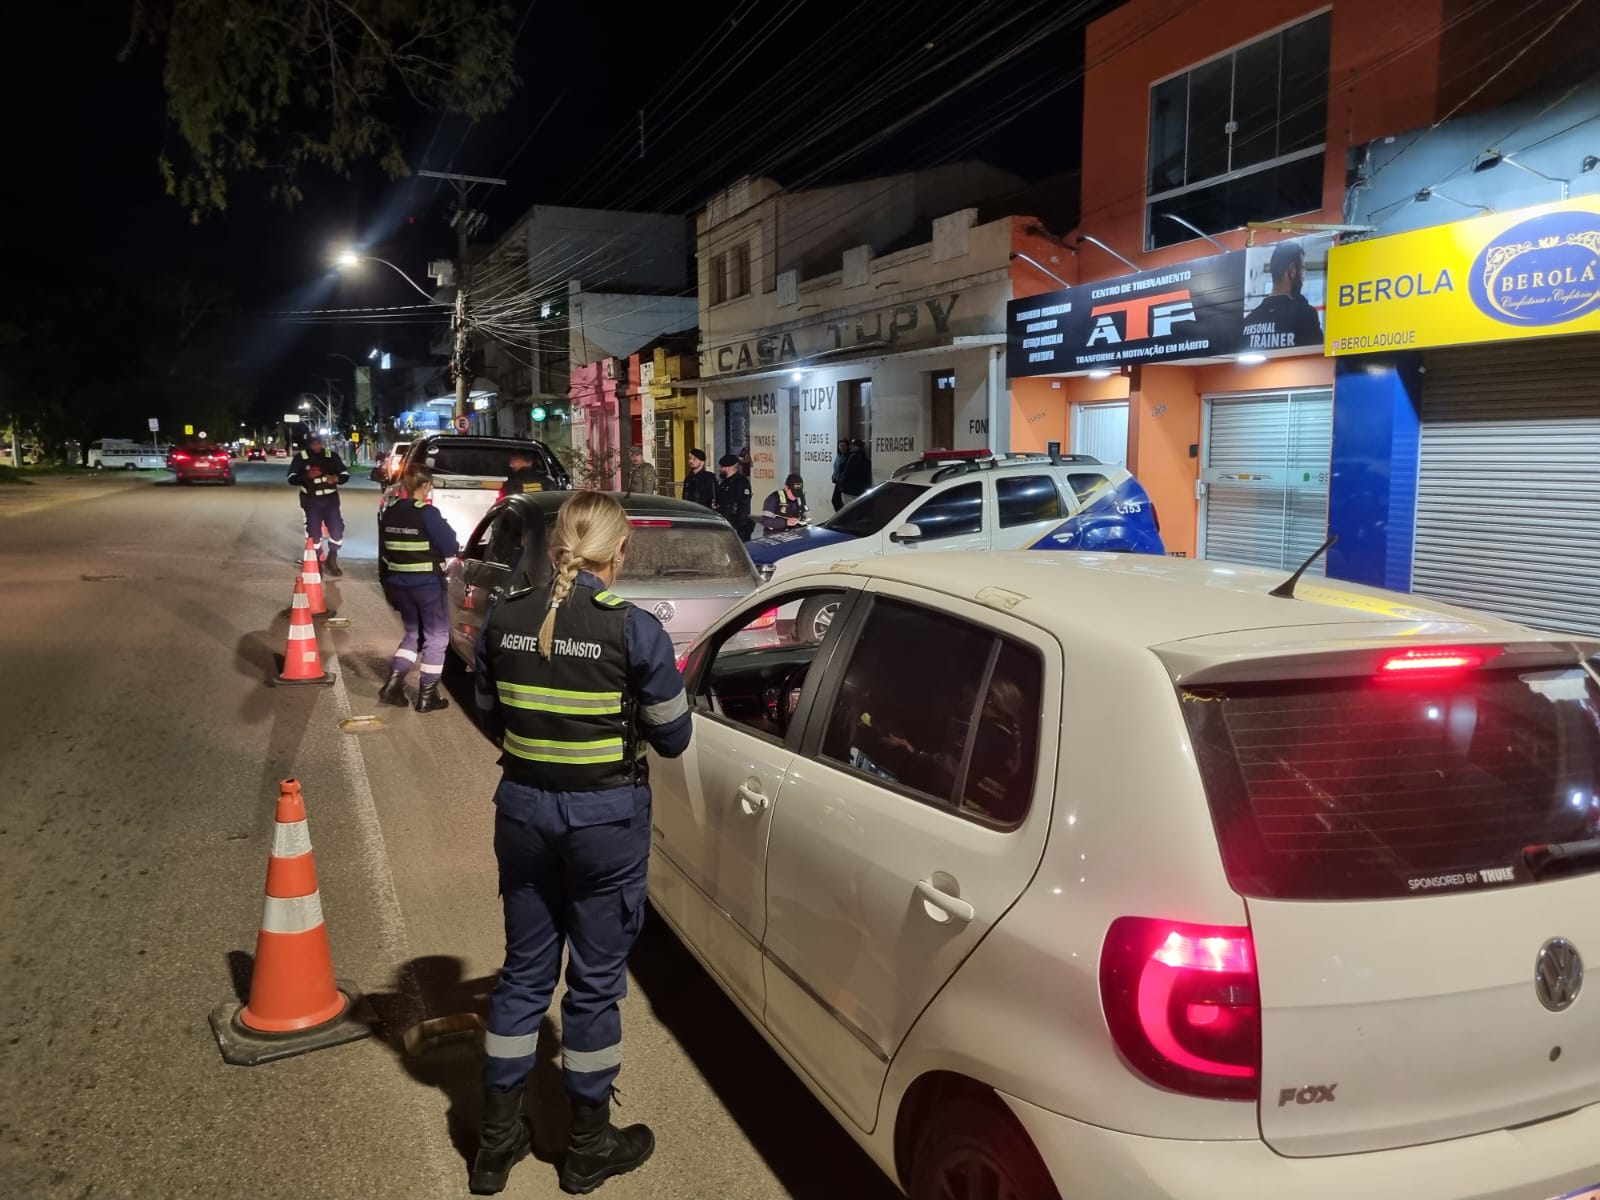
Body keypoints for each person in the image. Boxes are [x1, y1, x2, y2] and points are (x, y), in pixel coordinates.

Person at [470, 492, 691, 1197]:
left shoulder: (504, 619)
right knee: (594, 986)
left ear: (556, 545)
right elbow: (675, 736)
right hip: (606, 825)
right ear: (617, 552)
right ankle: (588, 1149)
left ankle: (495, 1145)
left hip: (524, 815)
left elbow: (487, 713)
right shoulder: (634, 631)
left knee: (525, 972)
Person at [376, 465, 461, 713]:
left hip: (398, 583)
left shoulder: (390, 512)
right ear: (425, 486)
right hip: (426, 584)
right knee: (437, 637)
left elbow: (385, 548)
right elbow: (449, 546)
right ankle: (427, 696)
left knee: (414, 633)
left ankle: (392, 687)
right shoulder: (428, 513)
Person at [287, 433, 350, 576]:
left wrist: (337, 479)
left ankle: (332, 558)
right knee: (314, 532)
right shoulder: (301, 458)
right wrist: (307, 476)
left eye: (318, 443)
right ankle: (315, 560)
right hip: (311, 501)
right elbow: (291, 479)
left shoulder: (331, 456)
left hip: (331, 501)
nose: (316, 446)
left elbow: (345, 475)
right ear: (308, 444)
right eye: (313, 443)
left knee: (337, 529)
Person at [1244, 240, 1324, 351]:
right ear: (1292, 270)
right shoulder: (1305, 316)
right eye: (1302, 269)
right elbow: (1316, 358)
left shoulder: (1249, 321)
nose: (1303, 277)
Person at [714, 453, 754, 541]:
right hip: (725, 523)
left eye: (722, 467)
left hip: (737, 526)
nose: (720, 469)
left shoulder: (741, 482)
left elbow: (744, 506)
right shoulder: (724, 483)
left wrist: (737, 527)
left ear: (729, 467)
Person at [839, 437, 872, 505]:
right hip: (861, 491)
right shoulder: (866, 459)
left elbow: (847, 473)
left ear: (858, 447)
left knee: (848, 509)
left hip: (849, 490)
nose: (851, 447)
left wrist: (841, 485)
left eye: (853, 446)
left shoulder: (853, 457)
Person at [830, 438, 849, 510]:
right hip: (837, 482)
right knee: (835, 500)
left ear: (847, 446)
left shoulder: (849, 457)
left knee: (839, 501)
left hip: (844, 483)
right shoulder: (839, 456)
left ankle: (842, 517)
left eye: (844, 446)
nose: (842, 448)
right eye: (840, 446)